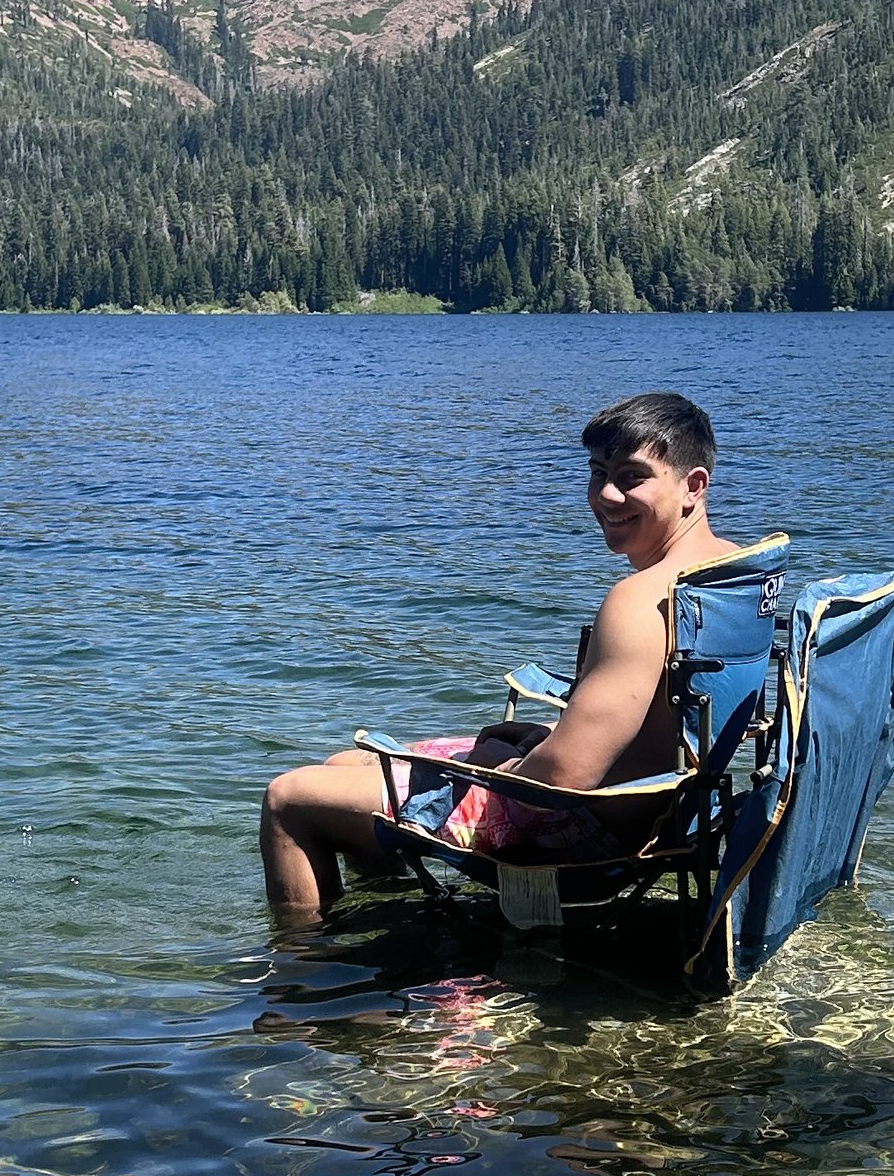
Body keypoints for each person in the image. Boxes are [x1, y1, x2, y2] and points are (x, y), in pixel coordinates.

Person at [259, 391, 731, 919]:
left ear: (693, 486)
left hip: (585, 830)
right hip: (661, 807)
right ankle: (390, 921)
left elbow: (559, 781)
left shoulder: (642, 599)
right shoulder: (736, 573)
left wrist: (491, 766)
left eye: (632, 477)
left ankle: (303, 982)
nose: (607, 495)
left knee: (290, 798)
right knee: (345, 766)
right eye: (598, 473)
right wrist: (548, 737)